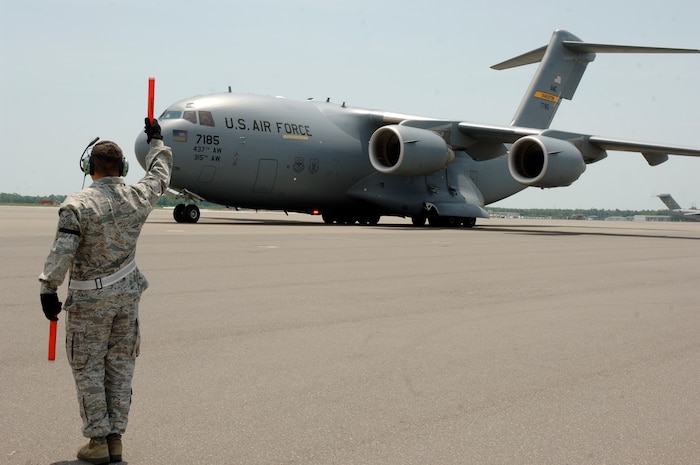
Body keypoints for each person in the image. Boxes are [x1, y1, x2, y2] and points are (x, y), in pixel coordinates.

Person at [39, 119, 172, 464]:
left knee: (88, 368)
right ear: (123, 168)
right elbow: (160, 173)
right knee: (120, 367)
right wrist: (156, 140)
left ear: (89, 167)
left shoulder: (77, 205)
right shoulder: (137, 196)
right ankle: (115, 440)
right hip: (126, 301)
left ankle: (97, 440)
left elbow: (62, 251)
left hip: (88, 303)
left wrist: (48, 288)